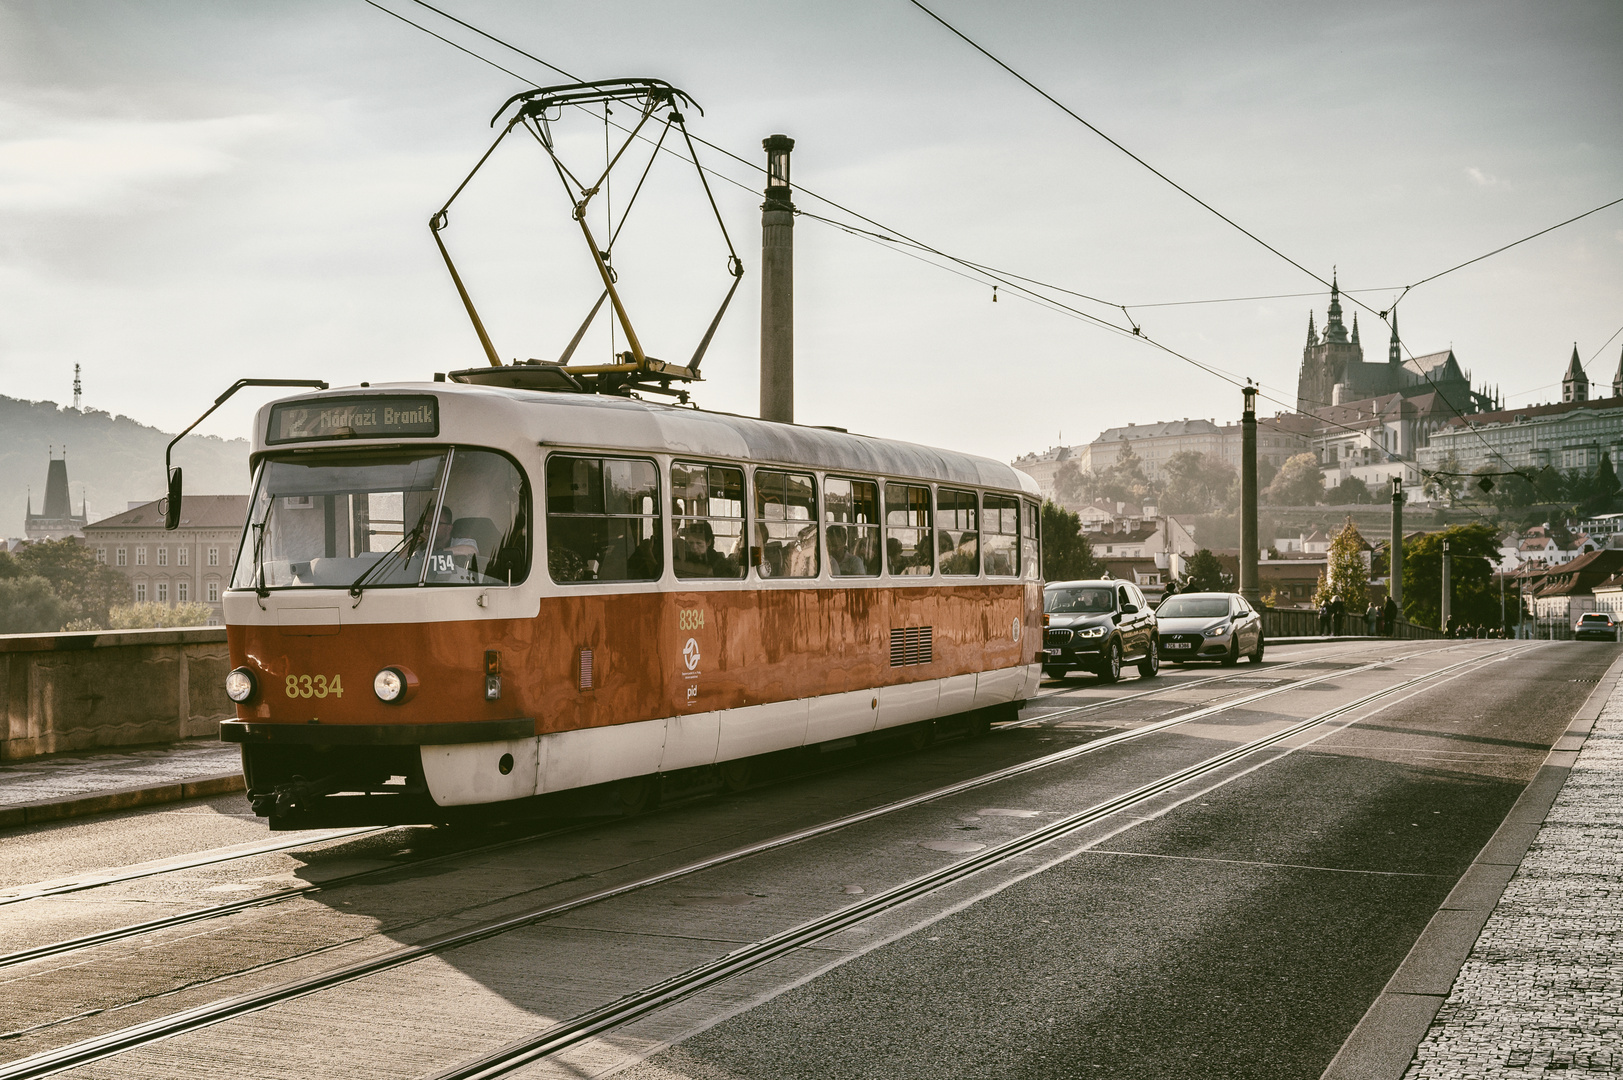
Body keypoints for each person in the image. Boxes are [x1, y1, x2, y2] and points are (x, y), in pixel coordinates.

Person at [425, 505, 479, 581]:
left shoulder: (460, 543)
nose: (428, 527)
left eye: (436, 523)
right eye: (427, 523)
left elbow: (472, 551)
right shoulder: (421, 545)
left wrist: (439, 553)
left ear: (449, 528)